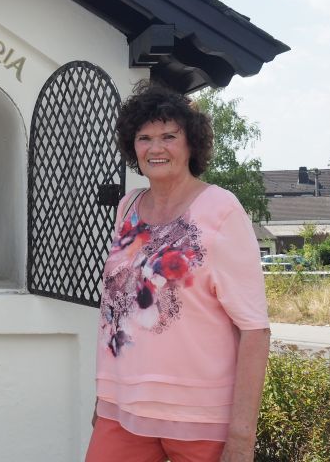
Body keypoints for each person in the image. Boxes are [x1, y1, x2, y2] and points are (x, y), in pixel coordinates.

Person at [85, 81, 270, 462]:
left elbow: (255, 329)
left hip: (200, 417)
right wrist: (104, 396)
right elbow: (118, 310)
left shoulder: (221, 209)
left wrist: (241, 437)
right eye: (144, 137)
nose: (156, 148)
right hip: (124, 410)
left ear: (191, 144)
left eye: (169, 135)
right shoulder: (128, 206)